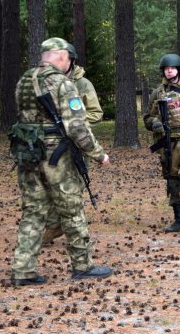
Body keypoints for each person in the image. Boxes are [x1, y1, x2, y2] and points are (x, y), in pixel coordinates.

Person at [9, 37, 112, 286]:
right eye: (68, 57)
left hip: (29, 154)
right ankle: (82, 266)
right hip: (57, 157)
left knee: (33, 211)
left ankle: (23, 270)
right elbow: (77, 127)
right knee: (72, 209)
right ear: (62, 56)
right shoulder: (62, 83)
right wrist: (98, 153)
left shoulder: (24, 80)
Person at [42, 62, 104, 244]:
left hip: (76, 144)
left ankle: (77, 236)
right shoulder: (47, 83)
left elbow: (96, 113)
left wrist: (72, 122)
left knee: (74, 190)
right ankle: (54, 226)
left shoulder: (82, 84)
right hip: (51, 145)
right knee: (51, 187)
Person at [143, 54, 180, 233]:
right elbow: (148, 117)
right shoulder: (157, 93)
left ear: (178, 69)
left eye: (173, 68)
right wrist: (154, 123)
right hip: (167, 141)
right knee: (173, 180)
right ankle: (179, 220)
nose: (169, 71)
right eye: (167, 68)